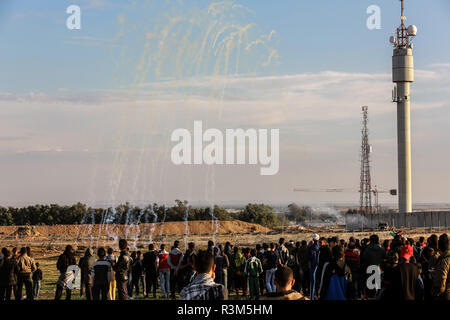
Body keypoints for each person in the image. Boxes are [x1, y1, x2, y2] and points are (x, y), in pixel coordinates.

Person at [431, 234, 449, 300]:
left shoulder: (444, 261)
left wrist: (435, 293)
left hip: (446, 295)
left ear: (439, 248)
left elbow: (441, 283)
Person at [308, 234, 320, 299]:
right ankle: (317, 295)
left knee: (312, 282)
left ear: (313, 239)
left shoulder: (311, 247)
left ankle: (312, 297)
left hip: (313, 265)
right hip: (319, 266)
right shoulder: (320, 246)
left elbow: (310, 257)